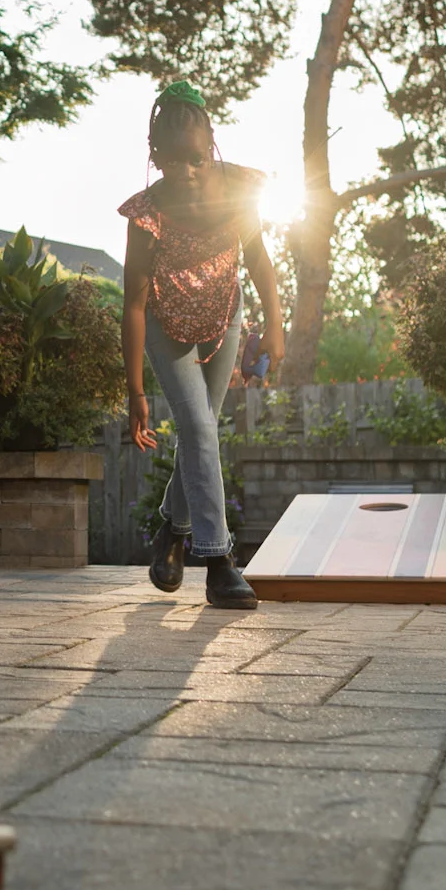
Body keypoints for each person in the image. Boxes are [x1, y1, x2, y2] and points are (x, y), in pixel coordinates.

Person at [121, 81, 285, 610]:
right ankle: (217, 561)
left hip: (224, 316)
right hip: (168, 324)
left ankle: (171, 530)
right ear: (155, 157)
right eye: (172, 161)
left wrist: (276, 326)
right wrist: (135, 392)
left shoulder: (239, 189)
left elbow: (259, 263)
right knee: (196, 428)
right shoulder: (148, 214)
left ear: (211, 144)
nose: (186, 172)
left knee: (201, 434)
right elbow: (134, 304)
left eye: (195, 158)